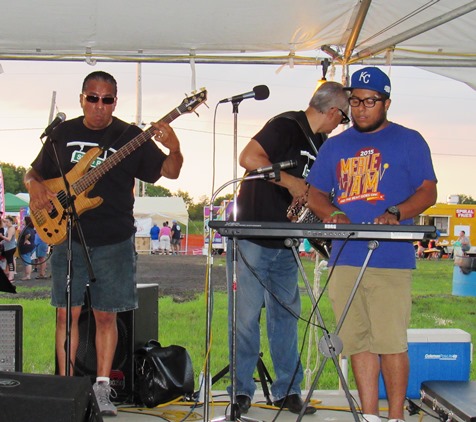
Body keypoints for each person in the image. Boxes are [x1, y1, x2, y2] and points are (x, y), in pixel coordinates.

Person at [24, 70, 183, 416]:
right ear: (81, 98)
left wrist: (174, 146)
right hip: (67, 236)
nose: (99, 106)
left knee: (106, 317)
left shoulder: (131, 137)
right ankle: (65, 389)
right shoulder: (62, 135)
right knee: (67, 314)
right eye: (92, 98)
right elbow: (33, 172)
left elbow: (170, 172)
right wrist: (35, 185)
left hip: (113, 240)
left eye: (107, 99)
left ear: (115, 101)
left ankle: (101, 389)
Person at [306, 67, 437, 422]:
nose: (361, 108)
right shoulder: (335, 145)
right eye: (355, 101)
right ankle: (369, 417)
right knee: (357, 343)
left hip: (390, 259)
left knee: (390, 343)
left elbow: (428, 190)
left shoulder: (409, 141)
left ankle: (394, 417)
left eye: (370, 101)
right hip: (344, 258)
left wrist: (396, 211)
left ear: (386, 102)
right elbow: (314, 192)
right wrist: (334, 213)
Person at [228, 81, 350, 415]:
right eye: (343, 118)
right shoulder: (285, 125)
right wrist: (292, 181)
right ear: (334, 111)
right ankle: (240, 392)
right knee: (245, 319)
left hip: (288, 242)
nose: (341, 124)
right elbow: (249, 157)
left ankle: (287, 391)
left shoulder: (322, 143)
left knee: (286, 318)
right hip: (253, 236)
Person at [18, 216, 36, 281]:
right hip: (30, 247)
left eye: (23, 220)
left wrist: (26, 240)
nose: (23, 221)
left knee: (27, 262)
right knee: (28, 261)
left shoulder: (27, 229)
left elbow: (28, 234)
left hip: (26, 248)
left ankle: (28, 275)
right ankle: (27, 275)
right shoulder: (31, 228)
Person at [0, 215, 17, 283]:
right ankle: (10, 276)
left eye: (7, 222)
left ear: (11, 222)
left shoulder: (11, 229)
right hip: (9, 247)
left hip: (10, 248)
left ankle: (11, 277)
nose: (6, 223)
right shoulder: (10, 228)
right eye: (5, 222)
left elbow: (9, 239)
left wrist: (2, 236)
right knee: (10, 262)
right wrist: (2, 241)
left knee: (10, 262)